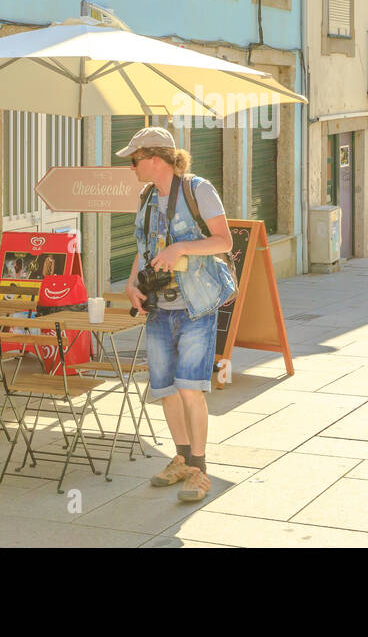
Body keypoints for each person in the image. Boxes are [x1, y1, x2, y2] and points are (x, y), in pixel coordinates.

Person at [120, 127, 236, 504]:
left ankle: (199, 470)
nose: (131, 166)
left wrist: (182, 247)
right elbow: (143, 247)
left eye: (134, 160)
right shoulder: (147, 196)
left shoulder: (197, 189)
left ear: (155, 159)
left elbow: (224, 241)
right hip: (158, 308)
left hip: (194, 305)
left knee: (190, 388)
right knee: (166, 389)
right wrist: (132, 282)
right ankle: (182, 459)